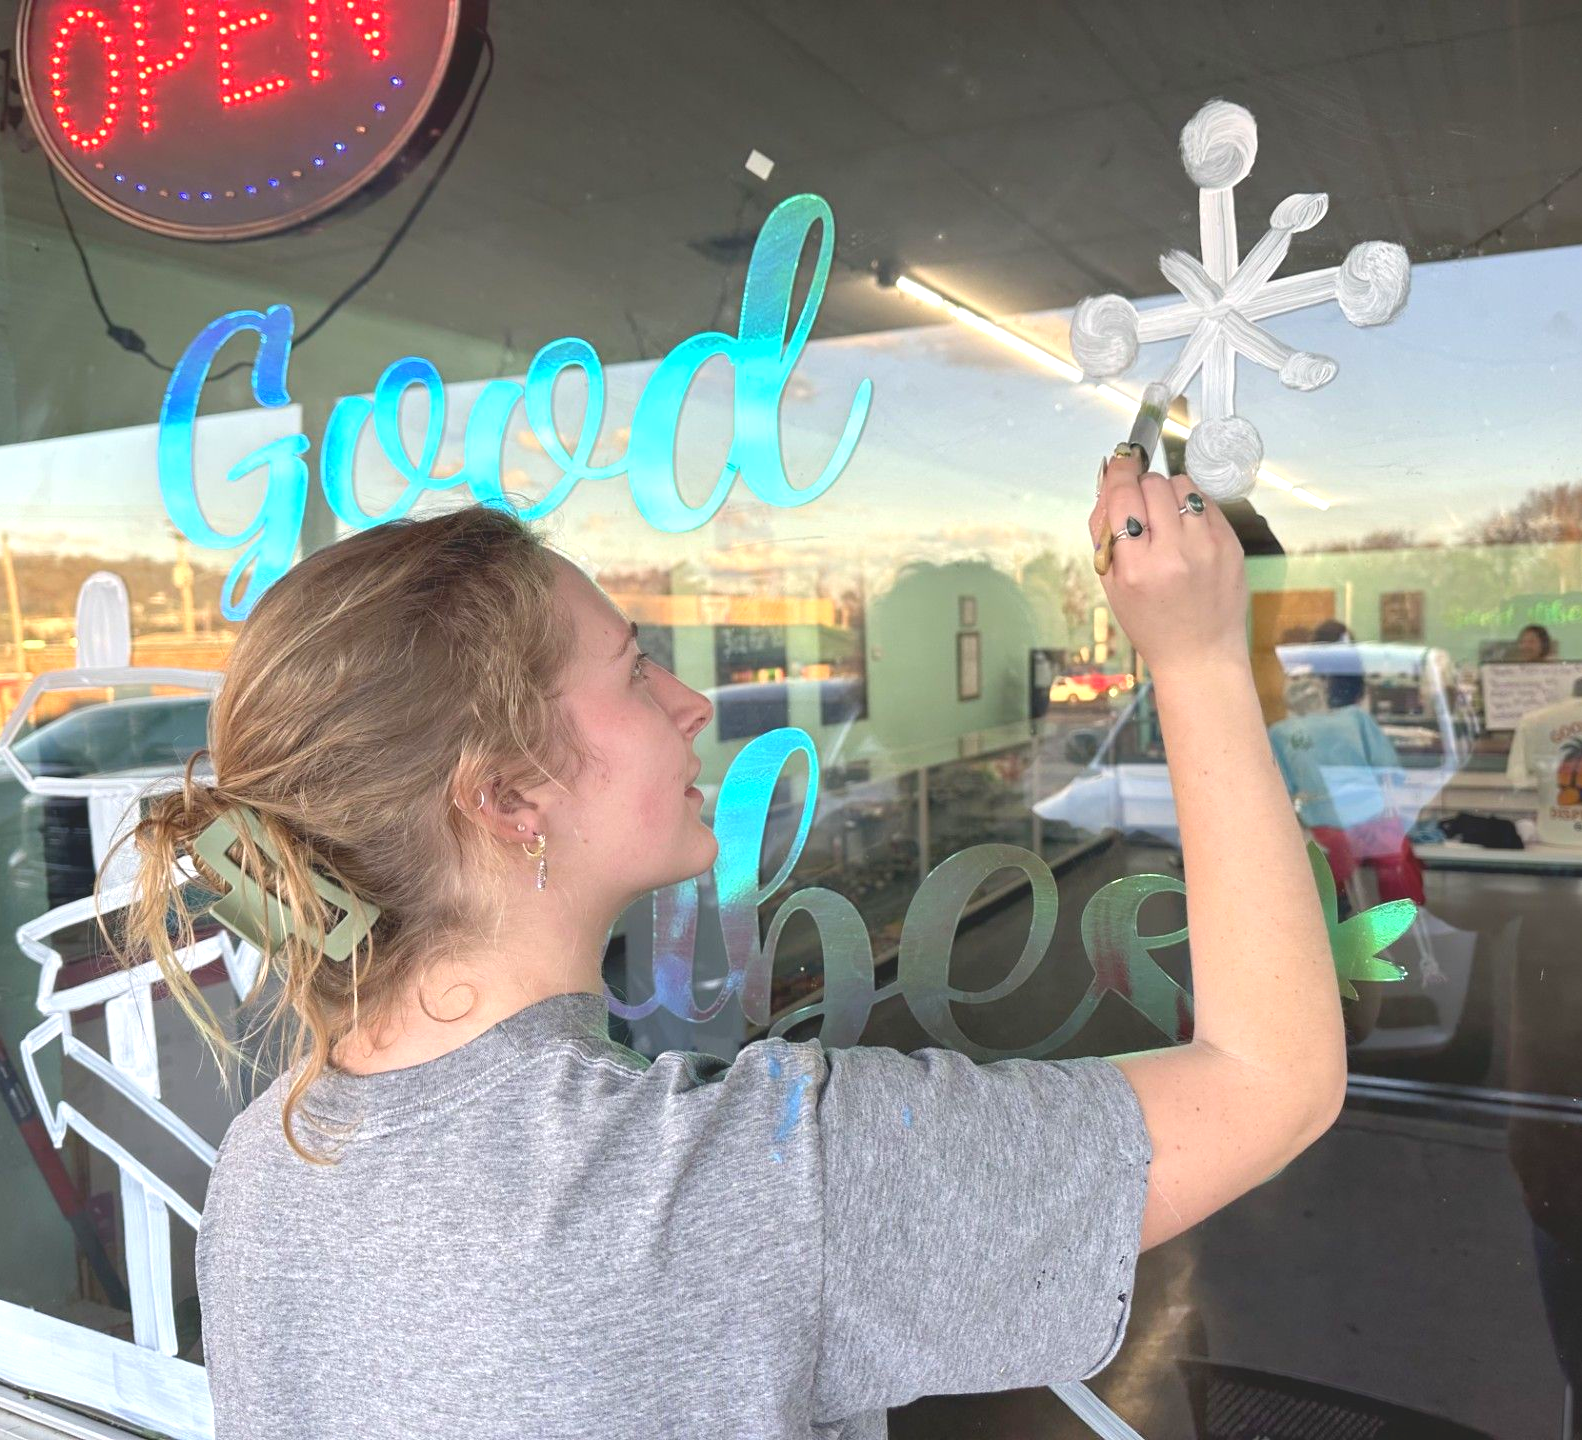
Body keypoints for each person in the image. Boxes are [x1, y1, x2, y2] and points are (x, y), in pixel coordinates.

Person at [107, 475, 1344, 1439]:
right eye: (634, 669)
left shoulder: (272, 1160)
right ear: (505, 799)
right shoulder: (725, 1183)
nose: (692, 703)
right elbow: (1268, 1082)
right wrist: (1193, 654)